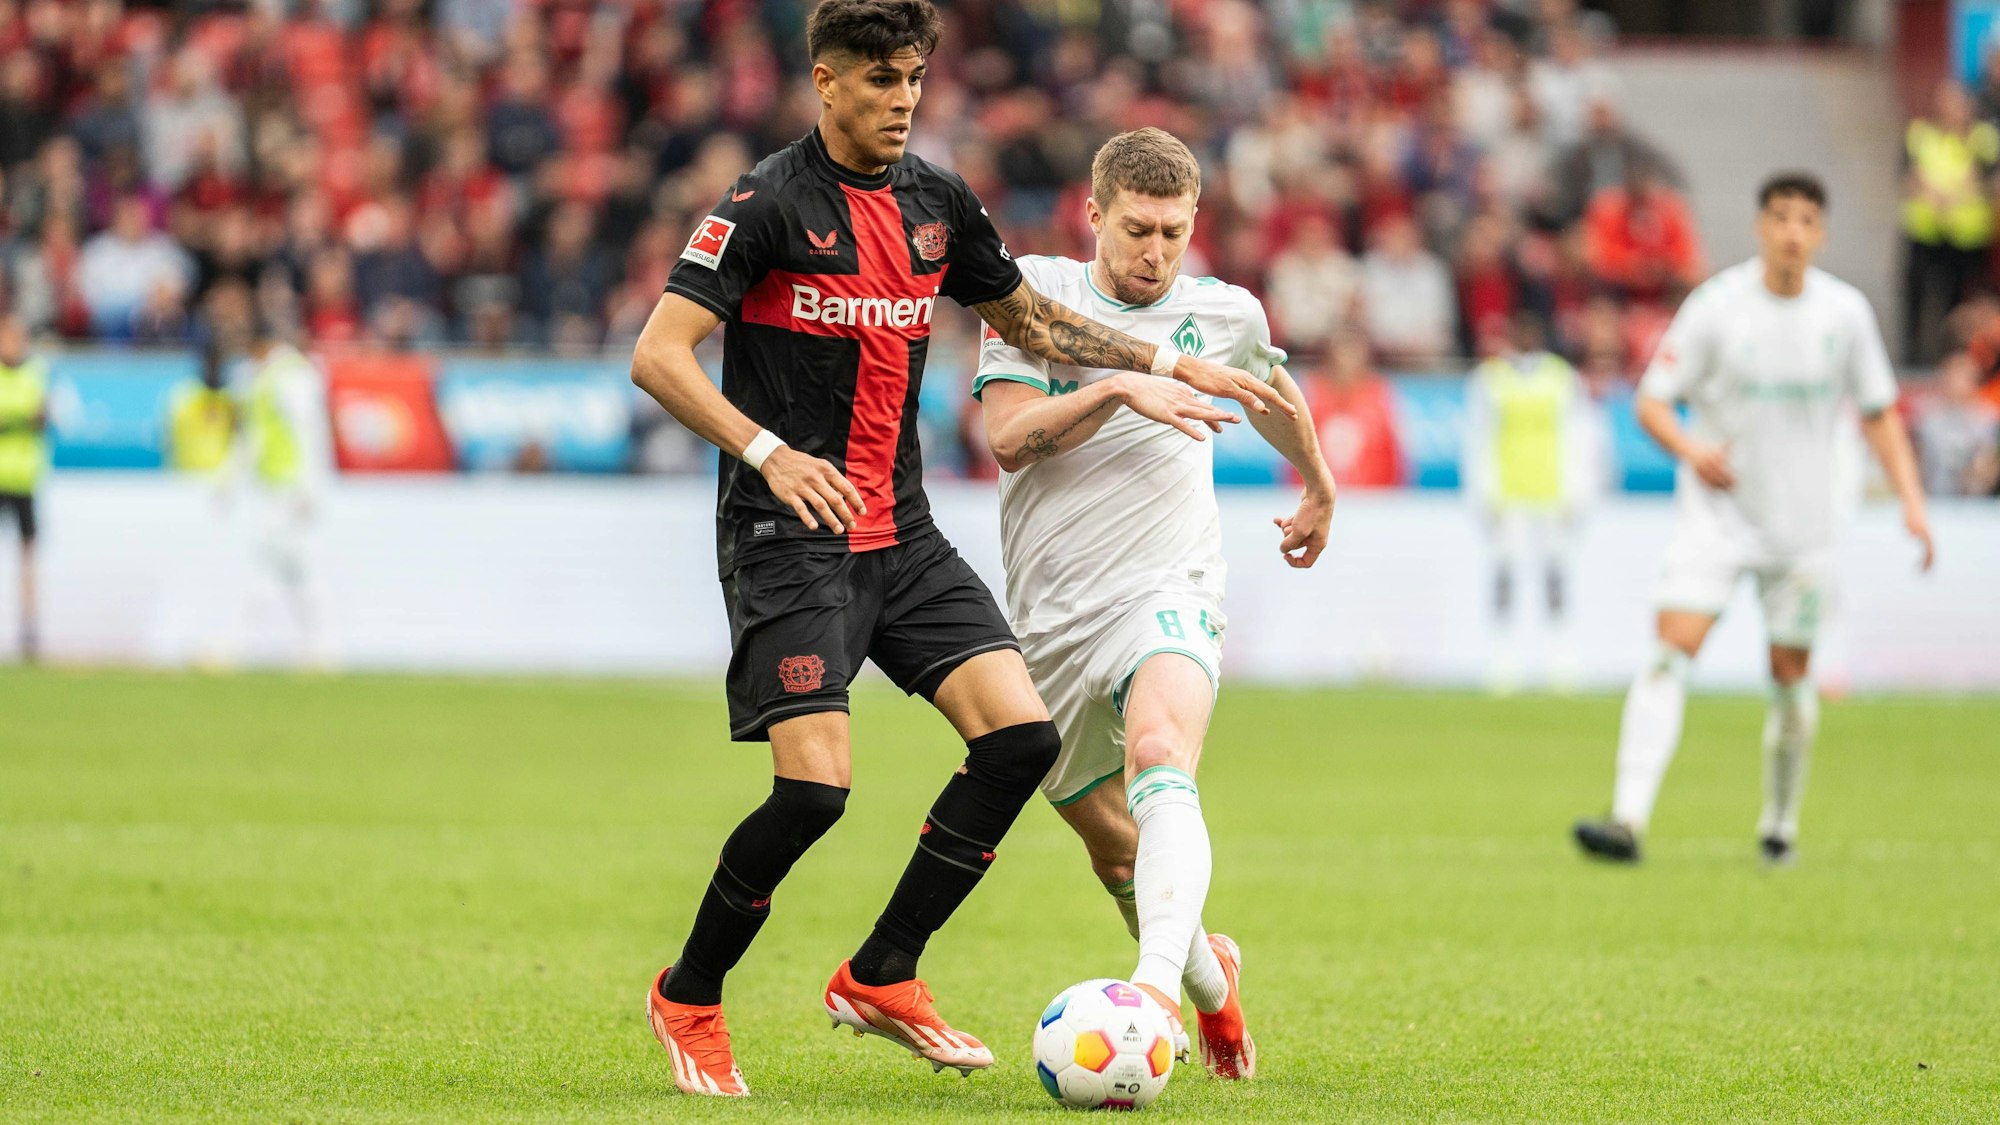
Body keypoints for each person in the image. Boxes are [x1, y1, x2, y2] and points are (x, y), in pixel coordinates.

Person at [626, 0, 1291, 1098]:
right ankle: (689, 994)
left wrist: (1167, 365)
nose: (901, 100)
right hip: (786, 536)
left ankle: (882, 971)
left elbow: (1032, 321)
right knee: (813, 795)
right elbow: (659, 355)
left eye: (913, 78)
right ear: (824, 79)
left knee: (1021, 742)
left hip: (902, 532)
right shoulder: (763, 205)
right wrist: (766, 452)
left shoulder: (936, 204)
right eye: (878, 80)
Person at [975, 127, 1336, 1081]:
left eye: (1174, 232)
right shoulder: (1033, 295)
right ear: (1093, 214)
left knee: (1161, 754)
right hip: (1051, 617)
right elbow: (1009, 438)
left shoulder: (1224, 310)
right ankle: (1213, 982)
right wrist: (1124, 387)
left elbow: (1269, 388)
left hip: (1170, 587)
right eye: (1138, 229)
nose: (1155, 252)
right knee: (1116, 855)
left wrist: (1319, 483)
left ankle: (1155, 998)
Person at [1573, 173, 1934, 867]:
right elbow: (1652, 400)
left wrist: (1912, 501)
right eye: (1780, 217)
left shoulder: (1845, 314)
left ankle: (1779, 825)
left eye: (1806, 219)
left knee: (1791, 677)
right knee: (1669, 649)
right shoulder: (1716, 307)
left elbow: (1879, 412)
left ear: (1820, 232)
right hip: (1716, 519)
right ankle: (1626, 818)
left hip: (1803, 531)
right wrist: (1691, 449)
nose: (1792, 232)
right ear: (1760, 226)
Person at [1463, 309, 1594, 693]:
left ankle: (1559, 652)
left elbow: (1580, 436)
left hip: (1552, 492)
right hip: (1508, 493)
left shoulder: (1562, 379)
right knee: (1504, 572)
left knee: (1555, 572)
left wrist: (1578, 490)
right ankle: (1502, 654)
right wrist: (1483, 493)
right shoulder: (1489, 381)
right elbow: (1478, 439)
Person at [0, 315, 49, 661]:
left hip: (24, 478)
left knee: (27, 556)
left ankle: (29, 627)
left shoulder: (34, 376)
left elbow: (42, 419)